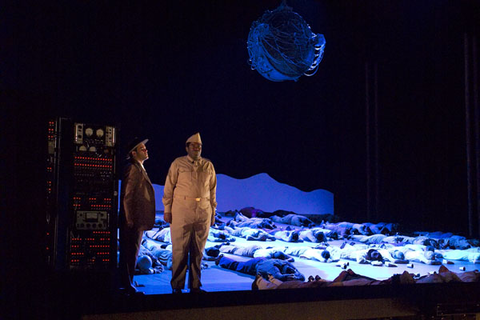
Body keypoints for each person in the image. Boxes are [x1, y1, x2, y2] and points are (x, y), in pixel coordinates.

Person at [162, 133, 217, 294]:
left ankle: (195, 285)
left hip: (203, 210)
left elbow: (212, 190)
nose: (196, 148)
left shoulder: (208, 165)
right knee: (180, 249)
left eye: (199, 146)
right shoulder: (178, 163)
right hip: (182, 209)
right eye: (193, 145)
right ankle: (177, 286)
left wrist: (213, 212)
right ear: (187, 147)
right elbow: (168, 187)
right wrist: (167, 209)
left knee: (198, 249)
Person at [119, 138, 156, 295]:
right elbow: (127, 195)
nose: (146, 150)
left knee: (133, 251)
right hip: (133, 219)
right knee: (129, 252)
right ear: (133, 153)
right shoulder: (133, 169)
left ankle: (129, 281)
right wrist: (128, 218)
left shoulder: (139, 168)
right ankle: (127, 285)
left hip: (136, 219)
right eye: (142, 149)